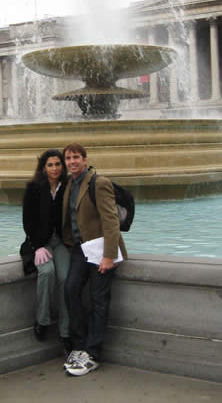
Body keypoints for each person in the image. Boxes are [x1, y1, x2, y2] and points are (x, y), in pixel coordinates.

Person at [61, 143, 127, 376]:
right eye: (68, 158)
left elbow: (111, 221)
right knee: (70, 290)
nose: (71, 162)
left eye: (76, 157)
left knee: (99, 299)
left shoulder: (99, 183)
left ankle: (93, 352)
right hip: (81, 249)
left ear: (85, 159)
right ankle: (80, 345)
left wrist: (109, 255)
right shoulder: (69, 183)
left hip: (100, 249)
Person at [22, 149, 70, 351]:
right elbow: (27, 221)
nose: (54, 168)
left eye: (58, 164)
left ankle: (66, 331)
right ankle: (42, 320)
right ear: (43, 167)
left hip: (60, 242)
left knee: (66, 278)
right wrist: (37, 246)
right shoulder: (33, 188)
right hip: (40, 242)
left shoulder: (68, 186)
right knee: (47, 272)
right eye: (50, 165)